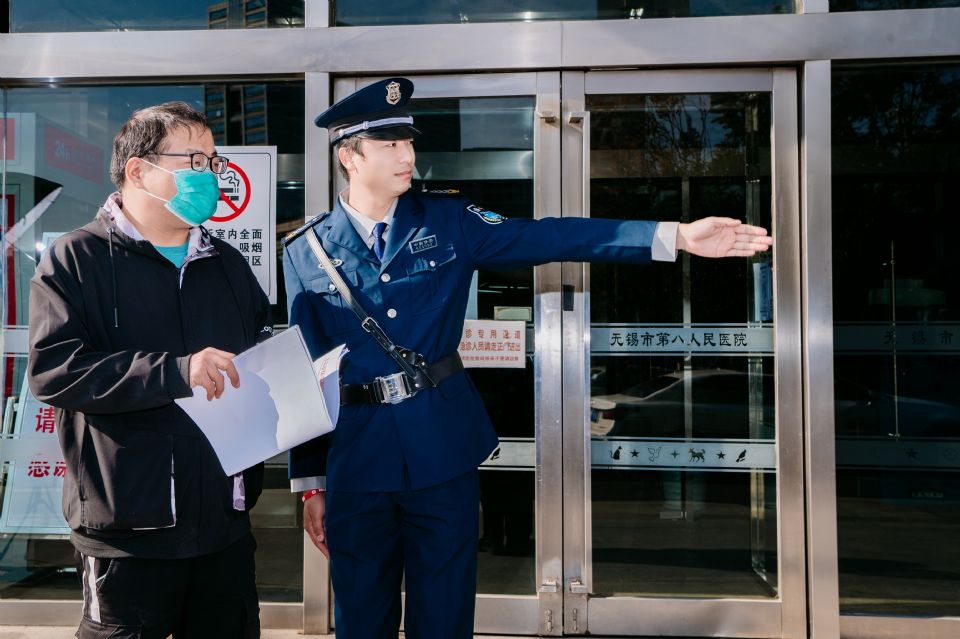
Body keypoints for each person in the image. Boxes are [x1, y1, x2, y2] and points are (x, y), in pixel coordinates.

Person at [282, 78, 773, 639]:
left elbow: (551, 237)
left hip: (441, 450)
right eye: (390, 145)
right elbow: (306, 374)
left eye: (409, 143)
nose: (408, 156)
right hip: (355, 458)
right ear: (349, 156)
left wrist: (675, 235)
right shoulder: (306, 251)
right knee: (360, 616)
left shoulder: (448, 220)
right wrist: (312, 484)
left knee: (443, 615)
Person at [28, 102, 271, 639]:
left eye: (213, 161)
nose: (210, 175)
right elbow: (55, 369)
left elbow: (256, 355)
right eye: (195, 160)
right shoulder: (77, 259)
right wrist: (175, 372)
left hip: (223, 526)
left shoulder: (227, 264)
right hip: (128, 530)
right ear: (138, 170)